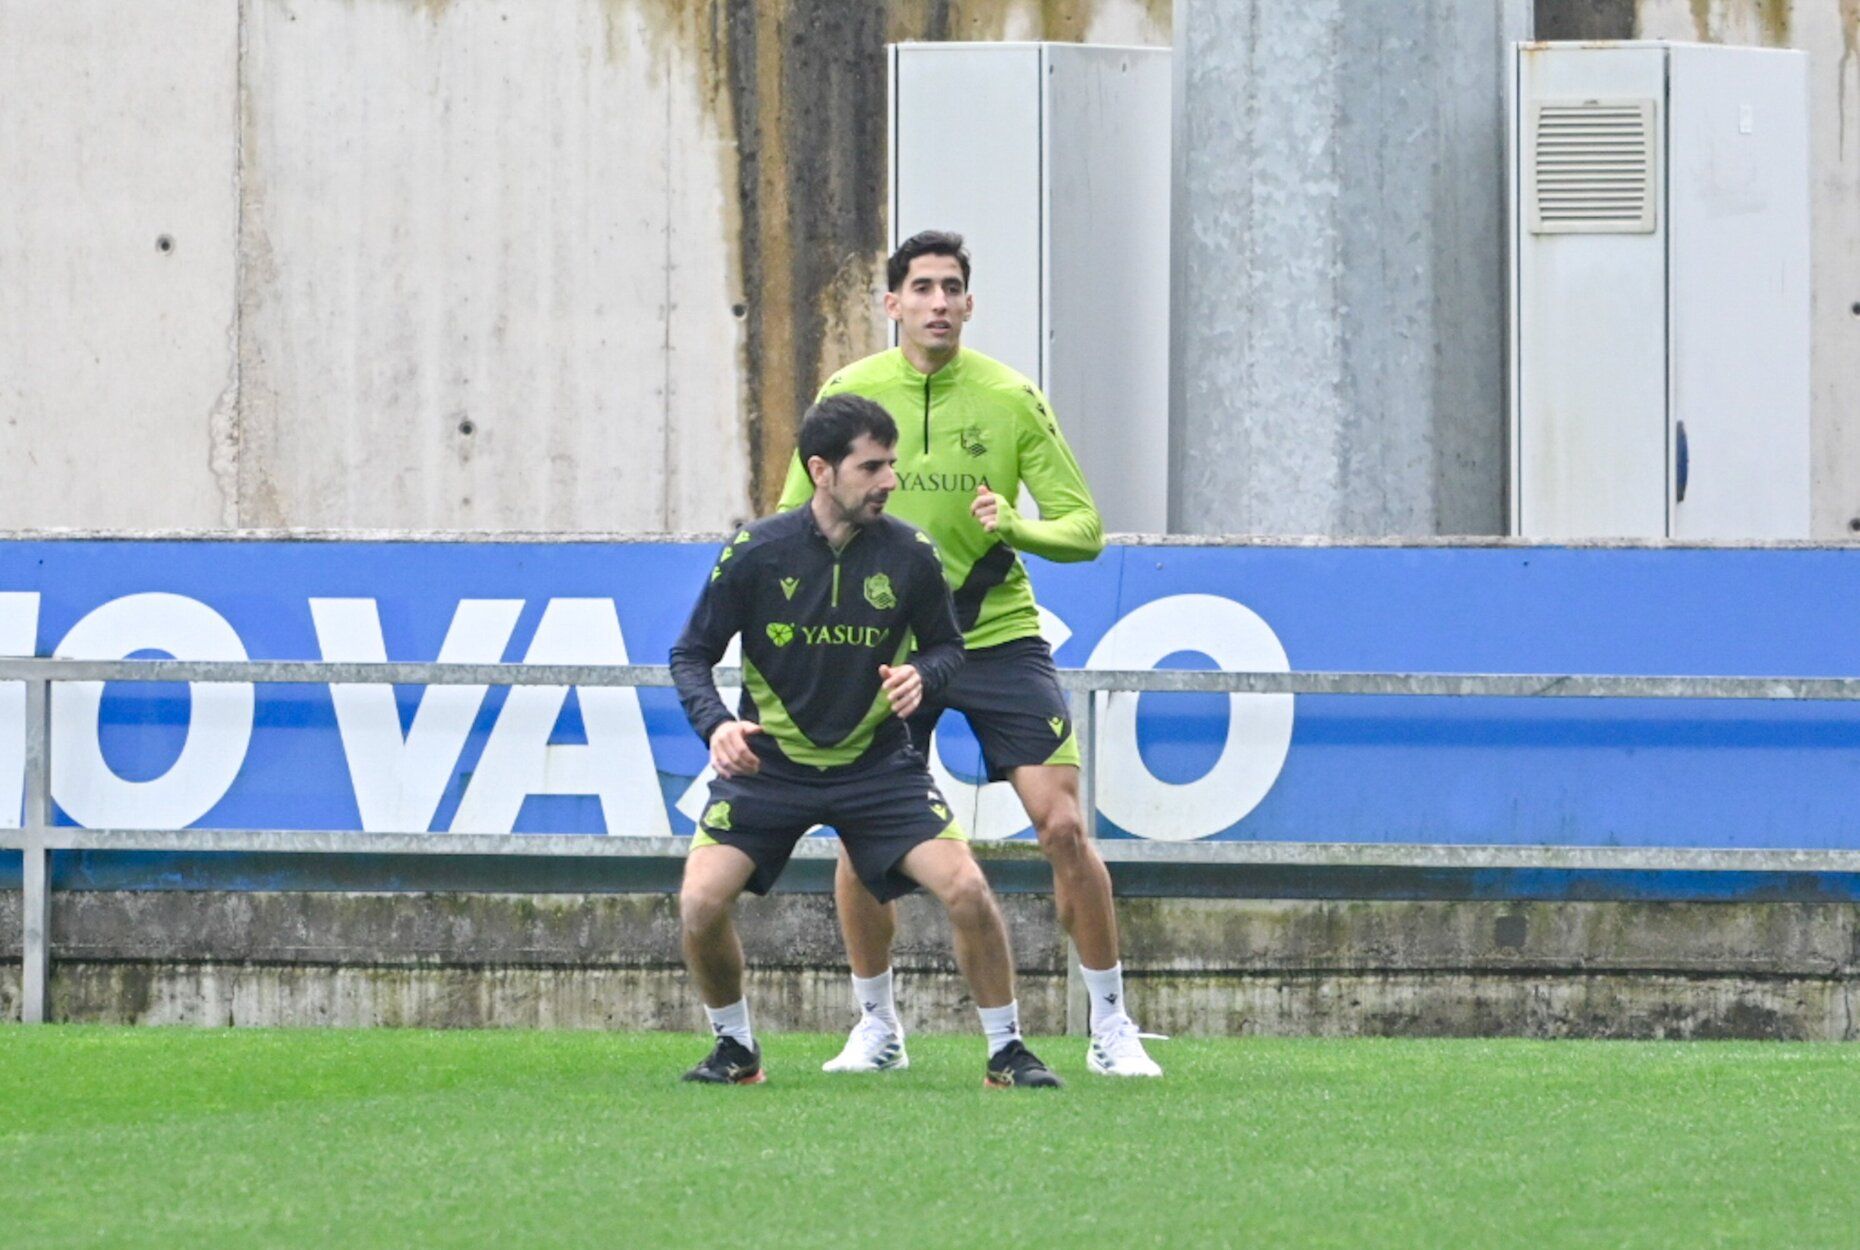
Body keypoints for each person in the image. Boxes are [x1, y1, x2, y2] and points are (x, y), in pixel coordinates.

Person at [777, 230, 1162, 1079]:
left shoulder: (1010, 397)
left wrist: (1014, 525)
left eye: (953, 288)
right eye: (921, 288)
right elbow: (794, 522)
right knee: (860, 840)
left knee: (1062, 825)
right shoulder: (848, 392)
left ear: (970, 302)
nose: (938, 302)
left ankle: (1110, 1025)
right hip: (887, 647)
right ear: (892, 303)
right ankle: (877, 1027)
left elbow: (1085, 531)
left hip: (993, 634)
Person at [670, 393, 1062, 1089]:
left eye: (892, 464)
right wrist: (717, 725)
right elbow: (690, 654)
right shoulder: (757, 554)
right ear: (821, 471)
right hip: (770, 767)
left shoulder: (911, 555)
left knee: (967, 889)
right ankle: (735, 1049)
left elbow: (948, 648)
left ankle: (1007, 1052)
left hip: (879, 768)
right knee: (700, 902)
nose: (889, 481)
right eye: (872, 466)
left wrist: (923, 675)